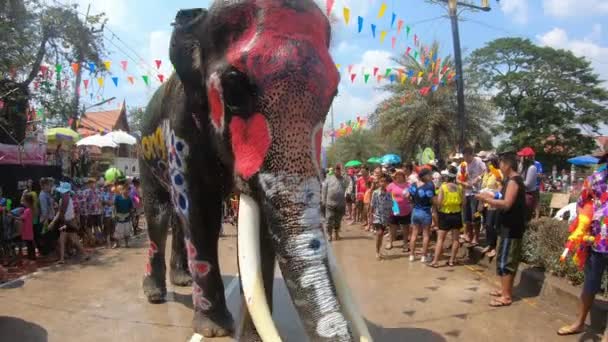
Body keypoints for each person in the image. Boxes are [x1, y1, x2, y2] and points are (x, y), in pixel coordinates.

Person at [556, 150, 608, 338]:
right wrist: (584, 217)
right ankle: (579, 323)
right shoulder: (596, 177)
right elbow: (581, 203)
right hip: (596, 242)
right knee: (590, 285)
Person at [476, 151, 527, 307]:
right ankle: (504, 290)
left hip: (511, 228)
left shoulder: (514, 181)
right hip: (507, 226)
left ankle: (506, 296)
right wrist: (491, 194)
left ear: (508, 165)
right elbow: (502, 196)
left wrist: (488, 199)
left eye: (502, 164)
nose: (500, 167)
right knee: (504, 258)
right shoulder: (510, 180)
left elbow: (507, 203)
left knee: (506, 261)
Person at [429, 166, 462, 267]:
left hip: (445, 215)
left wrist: (433, 201)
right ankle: (452, 260)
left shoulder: (443, 187)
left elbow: (439, 203)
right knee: (456, 239)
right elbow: (463, 202)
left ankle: (435, 261)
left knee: (440, 239)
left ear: (447, 177)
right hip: (457, 215)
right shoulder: (460, 188)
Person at [51, 182, 88, 264]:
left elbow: (60, 213)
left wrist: (53, 222)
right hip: (69, 221)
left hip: (66, 223)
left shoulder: (63, 199)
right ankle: (63, 258)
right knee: (69, 240)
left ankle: (63, 258)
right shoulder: (69, 198)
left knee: (64, 240)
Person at [458, 147, 486, 246]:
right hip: (466, 192)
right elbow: (458, 178)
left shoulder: (478, 161)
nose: (465, 158)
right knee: (466, 216)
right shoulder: (463, 165)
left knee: (475, 215)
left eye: (467, 156)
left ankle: (476, 237)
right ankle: (468, 235)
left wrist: (477, 179)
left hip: (476, 192)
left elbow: (485, 172)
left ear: (471, 154)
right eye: (464, 156)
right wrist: (462, 183)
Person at [408, 169, 436, 262]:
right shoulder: (430, 186)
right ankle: (423, 256)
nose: (431, 177)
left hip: (415, 211)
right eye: (429, 175)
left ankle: (411, 255)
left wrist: (413, 202)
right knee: (426, 235)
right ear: (425, 176)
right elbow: (432, 199)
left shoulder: (413, 185)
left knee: (414, 234)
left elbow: (408, 196)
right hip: (426, 212)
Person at [480, 154, 502, 258]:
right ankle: (489, 244)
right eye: (484, 162)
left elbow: (500, 187)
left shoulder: (496, 173)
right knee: (486, 224)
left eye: (487, 162)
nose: (485, 164)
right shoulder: (486, 173)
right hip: (484, 201)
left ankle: (493, 247)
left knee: (491, 224)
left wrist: (494, 197)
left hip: (493, 202)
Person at [321, 163, 349, 242]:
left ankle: (336, 233)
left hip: (340, 204)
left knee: (338, 220)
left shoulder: (344, 179)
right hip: (330, 203)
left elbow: (348, 182)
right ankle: (329, 235)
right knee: (329, 220)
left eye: (339, 169)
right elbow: (324, 190)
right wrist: (323, 200)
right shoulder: (329, 178)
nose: (338, 170)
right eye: (336, 169)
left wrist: (343, 171)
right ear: (334, 170)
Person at [385, 169, 412, 251]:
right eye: (397, 175)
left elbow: (412, 197)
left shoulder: (409, 185)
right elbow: (387, 197)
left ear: (404, 176)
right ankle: (390, 242)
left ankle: (405, 244)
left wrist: (410, 197)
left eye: (401, 175)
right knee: (392, 227)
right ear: (395, 176)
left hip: (406, 209)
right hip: (394, 209)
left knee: (405, 228)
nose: (399, 176)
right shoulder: (391, 185)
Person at [371, 174, 393, 260]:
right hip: (377, 216)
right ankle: (377, 252)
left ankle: (379, 250)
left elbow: (391, 206)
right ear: (379, 182)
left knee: (381, 235)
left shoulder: (389, 194)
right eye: (381, 181)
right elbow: (372, 205)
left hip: (385, 217)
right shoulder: (375, 193)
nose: (383, 183)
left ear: (387, 183)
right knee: (379, 233)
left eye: (385, 181)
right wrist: (370, 218)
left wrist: (390, 216)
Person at [11, 194, 36, 260]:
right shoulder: (30, 209)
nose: (23, 203)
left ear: (27, 202)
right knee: (30, 244)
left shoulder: (27, 210)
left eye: (24, 201)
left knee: (29, 245)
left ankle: (31, 258)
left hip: (27, 230)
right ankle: (32, 257)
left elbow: (21, 218)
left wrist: (12, 217)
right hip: (29, 230)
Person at [517, 147, 538, 221]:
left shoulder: (532, 168)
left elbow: (527, 184)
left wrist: (517, 181)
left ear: (526, 157)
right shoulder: (523, 166)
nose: (520, 158)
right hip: (522, 194)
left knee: (525, 218)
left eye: (522, 156)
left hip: (528, 195)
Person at [38, 178, 57, 255]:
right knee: (47, 237)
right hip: (46, 219)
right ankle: (47, 253)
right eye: (49, 185)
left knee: (50, 236)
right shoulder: (42, 195)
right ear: (44, 186)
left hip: (51, 217)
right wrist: (45, 220)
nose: (50, 186)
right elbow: (44, 209)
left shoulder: (48, 194)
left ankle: (50, 252)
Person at [101, 182, 116, 248]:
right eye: (107, 186)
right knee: (107, 228)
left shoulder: (114, 194)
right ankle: (108, 242)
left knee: (113, 227)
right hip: (106, 213)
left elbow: (114, 202)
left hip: (113, 213)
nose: (109, 187)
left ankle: (112, 241)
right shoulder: (103, 194)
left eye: (110, 186)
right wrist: (107, 202)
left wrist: (111, 202)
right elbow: (102, 202)